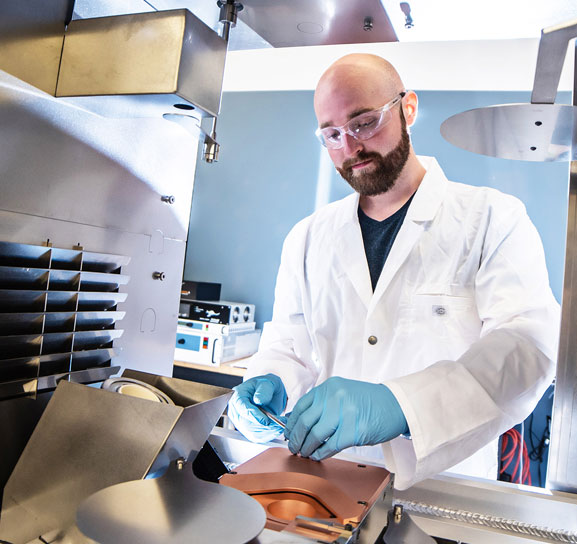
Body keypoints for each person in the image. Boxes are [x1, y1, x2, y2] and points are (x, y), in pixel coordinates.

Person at [226, 53, 560, 489]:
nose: (349, 147)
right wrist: (269, 377)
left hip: (443, 489)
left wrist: (402, 406)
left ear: (408, 108)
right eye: (331, 134)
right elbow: (290, 345)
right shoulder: (307, 238)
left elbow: (527, 348)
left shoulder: (491, 218)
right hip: (327, 488)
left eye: (364, 122)